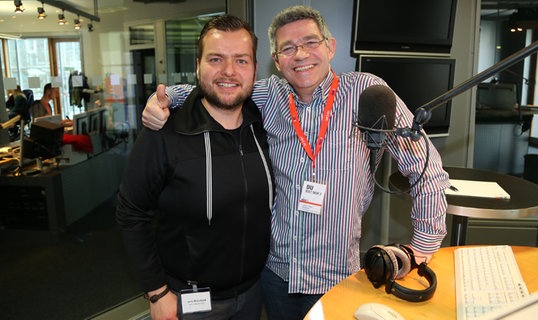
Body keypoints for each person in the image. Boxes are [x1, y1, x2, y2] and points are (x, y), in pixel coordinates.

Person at [142, 6, 450, 319]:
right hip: (276, 275)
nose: (300, 54)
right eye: (288, 48)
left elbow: (426, 169)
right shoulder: (269, 95)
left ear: (330, 46)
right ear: (277, 61)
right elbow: (216, 87)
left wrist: (421, 246)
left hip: (337, 277)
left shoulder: (367, 92)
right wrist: (164, 98)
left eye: (311, 42)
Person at [116, 14, 273, 320]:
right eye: (216, 59)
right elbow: (130, 211)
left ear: (255, 68)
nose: (229, 71)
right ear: (198, 64)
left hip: (254, 294)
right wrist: (156, 292)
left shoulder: (264, 126)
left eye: (241, 60)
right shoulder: (166, 133)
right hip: (189, 301)